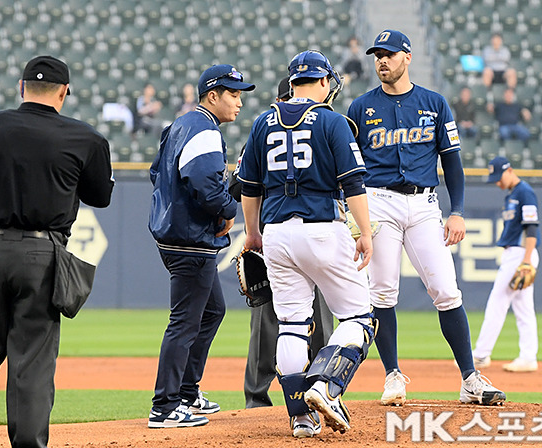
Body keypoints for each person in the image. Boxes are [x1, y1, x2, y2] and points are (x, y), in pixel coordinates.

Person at [0, 55, 114, 448]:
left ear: (21, 87)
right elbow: (99, 196)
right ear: (64, 93)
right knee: (31, 360)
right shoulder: (85, 138)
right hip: (44, 252)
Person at [347, 30, 506, 407]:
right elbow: (350, 168)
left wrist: (457, 211)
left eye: (389, 54)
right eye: (377, 55)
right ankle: (392, 376)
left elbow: (452, 161)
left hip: (423, 205)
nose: (381, 61)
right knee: (382, 291)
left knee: (448, 291)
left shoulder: (433, 103)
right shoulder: (360, 107)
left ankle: (469, 378)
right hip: (379, 202)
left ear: (407, 56)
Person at [237, 50, 377, 438]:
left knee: (292, 324)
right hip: (320, 227)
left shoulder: (263, 121)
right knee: (359, 318)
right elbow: (353, 183)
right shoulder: (332, 121)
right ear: (323, 82)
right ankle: (327, 387)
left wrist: (252, 234)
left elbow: (249, 186)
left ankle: (300, 417)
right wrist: (364, 232)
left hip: (276, 233)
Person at [148, 64, 255, 429]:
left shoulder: (180, 125)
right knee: (184, 321)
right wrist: (227, 210)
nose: (239, 102)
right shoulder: (204, 129)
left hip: (174, 233)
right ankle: (164, 405)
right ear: (213, 95)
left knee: (211, 311)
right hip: (191, 239)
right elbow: (203, 183)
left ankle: (187, 392)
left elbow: (155, 172)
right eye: (234, 94)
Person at [229, 76, 334, 409]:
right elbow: (239, 185)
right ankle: (265, 398)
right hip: (287, 241)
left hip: (287, 239)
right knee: (282, 324)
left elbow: (239, 186)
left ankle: (313, 393)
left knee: (300, 324)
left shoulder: (279, 131)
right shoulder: (276, 133)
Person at [472, 157, 540, 372]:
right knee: (523, 308)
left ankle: (481, 355)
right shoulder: (513, 194)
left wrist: (527, 260)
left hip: (520, 254)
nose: (497, 183)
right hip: (517, 253)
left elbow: (532, 227)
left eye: (499, 177)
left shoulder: (524, 192)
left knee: (497, 303)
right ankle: (528, 357)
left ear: (509, 170)